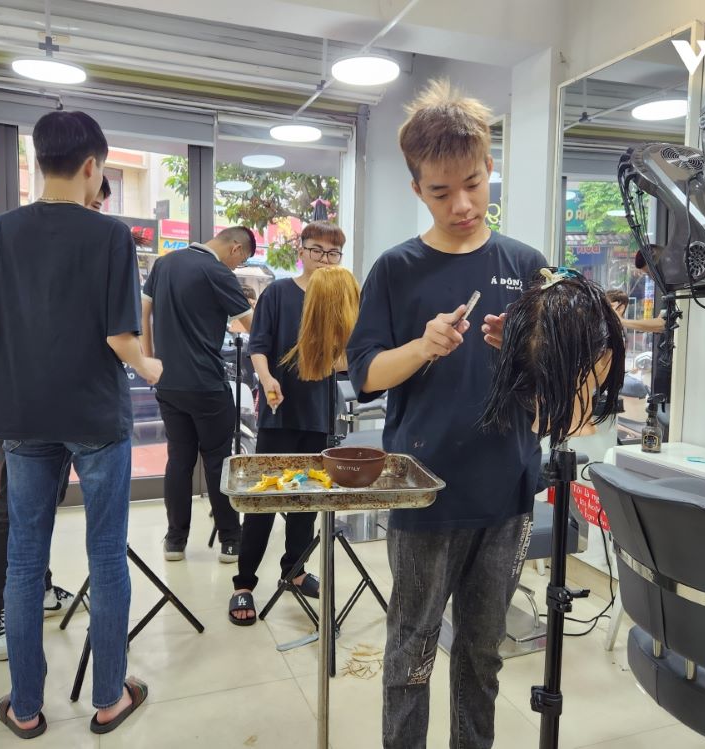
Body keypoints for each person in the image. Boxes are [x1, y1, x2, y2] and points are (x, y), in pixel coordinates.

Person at [346, 79, 545, 749]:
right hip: (422, 490)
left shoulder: (525, 265)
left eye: (473, 184)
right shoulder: (395, 269)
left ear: (489, 167)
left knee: (482, 654)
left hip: (505, 489)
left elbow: (551, 379)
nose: (461, 204)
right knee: (411, 651)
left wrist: (524, 349)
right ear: (417, 189)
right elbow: (365, 374)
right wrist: (422, 346)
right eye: (440, 192)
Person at [0, 110, 160, 738]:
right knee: (106, 554)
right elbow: (121, 336)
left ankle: (25, 707)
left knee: (25, 561)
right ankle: (109, 698)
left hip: (24, 413)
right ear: (91, 167)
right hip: (95, 414)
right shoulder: (110, 236)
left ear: (37, 160)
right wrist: (152, 367)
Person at [0, 176, 114, 662]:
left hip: (71, 403)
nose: (92, 214)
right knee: (15, 510)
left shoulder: (86, 246)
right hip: (25, 401)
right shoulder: (9, 236)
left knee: (42, 507)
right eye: (94, 203)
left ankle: (41, 589)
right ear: (86, 175)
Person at [229, 221, 346, 625]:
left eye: (333, 253)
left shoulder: (337, 298)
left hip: (319, 415)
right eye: (318, 250)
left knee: (306, 502)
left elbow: (344, 360)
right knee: (264, 499)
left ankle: (294, 570)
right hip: (279, 413)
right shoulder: (278, 293)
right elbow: (259, 345)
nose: (325, 259)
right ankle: (244, 583)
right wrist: (266, 379)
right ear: (302, 250)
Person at [141, 227, 255, 564]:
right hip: (206, 384)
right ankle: (231, 541)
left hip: (168, 383)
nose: (236, 267)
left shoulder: (164, 263)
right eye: (241, 261)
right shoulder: (218, 272)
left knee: (179, 461)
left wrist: (150, 361)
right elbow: (254, 324)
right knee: (218, 462)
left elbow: (143, 312)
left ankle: (175, 541)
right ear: (235, 248)